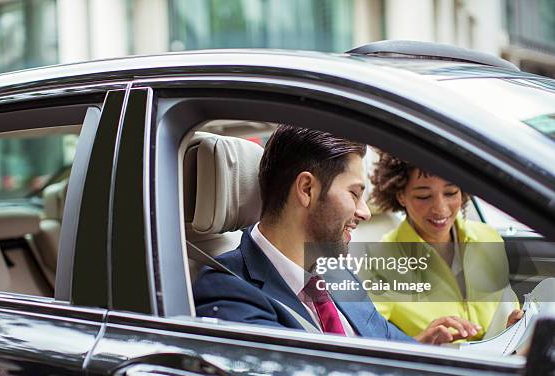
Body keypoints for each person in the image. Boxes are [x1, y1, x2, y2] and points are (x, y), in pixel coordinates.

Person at [193, 125, 480, 344]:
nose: (365, 212)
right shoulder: (228, 292)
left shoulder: (336, 272)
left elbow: (387, 342)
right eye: (354, 193)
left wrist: (426, 350)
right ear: (307, 190)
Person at [367, 151, 523, 342]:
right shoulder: (380, 261)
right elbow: (370, 344)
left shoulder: (487, 236)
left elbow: (504, 310)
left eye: (450, 193)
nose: (440, 208)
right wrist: (422, 342)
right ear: (401, 196)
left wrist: (512, 328)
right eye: (423, 196)